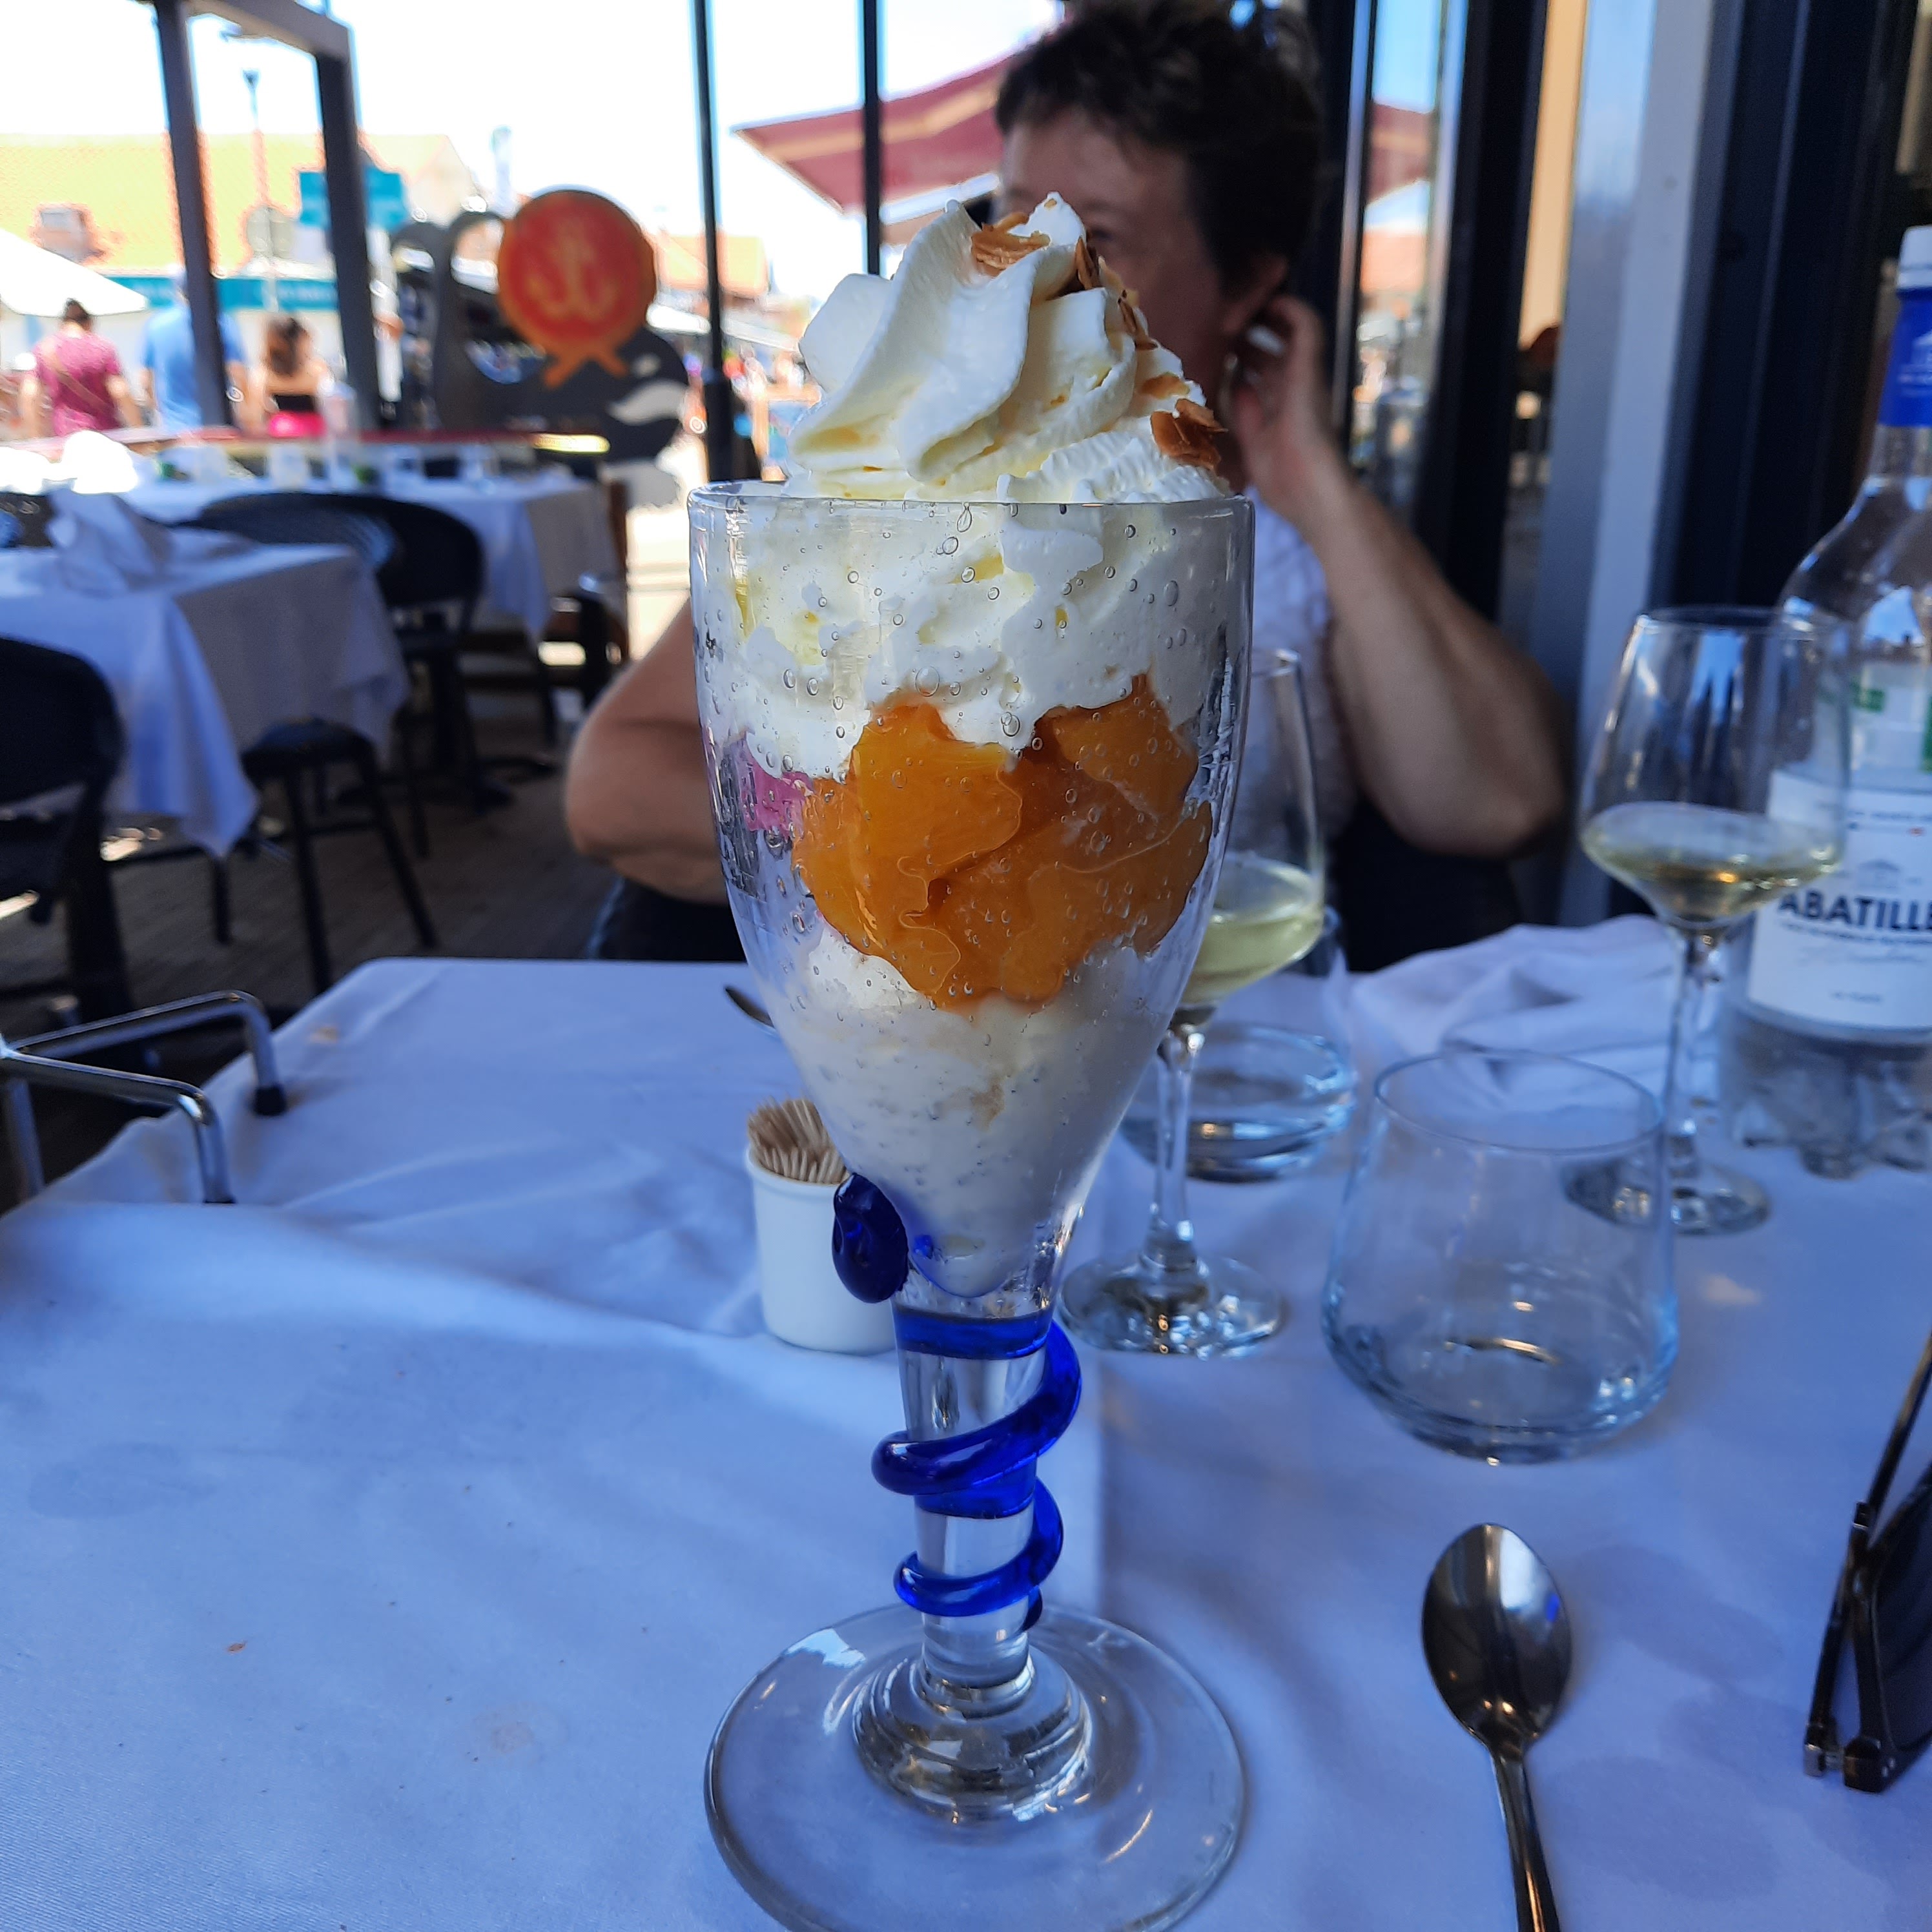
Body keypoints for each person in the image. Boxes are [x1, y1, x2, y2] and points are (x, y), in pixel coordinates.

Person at [566, 0, 1566, 961]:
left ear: (1252, 283)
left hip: (1219, 1038)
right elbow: (607, 787)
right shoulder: (908, 505)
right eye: (1013, 217)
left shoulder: (1299, 537)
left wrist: (1319, 487)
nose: (1025, 272)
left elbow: (1504, 801)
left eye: (1096, 241)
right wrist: (928, 857)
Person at [140, 272, 251, 432]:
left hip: (174, 429)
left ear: (178, 290)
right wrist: (244, 414)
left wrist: (160, 412)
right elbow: (238, 372)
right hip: (217, 426)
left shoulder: (156, 325)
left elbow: (146, 381)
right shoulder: (222, 322)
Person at [20, 300, 141, 437]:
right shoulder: (102, 348)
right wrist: (138, 430)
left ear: (62, 324)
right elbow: (121, 392)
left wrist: (35, 436)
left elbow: (30, 394)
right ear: (90, 323)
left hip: (65, 436)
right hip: (105, 434)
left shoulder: (45, 350)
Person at [248, 314, 332, 426]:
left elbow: (256, 412)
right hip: (315, 430)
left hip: (280, 430)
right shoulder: (317, 370)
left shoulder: (263, 375)